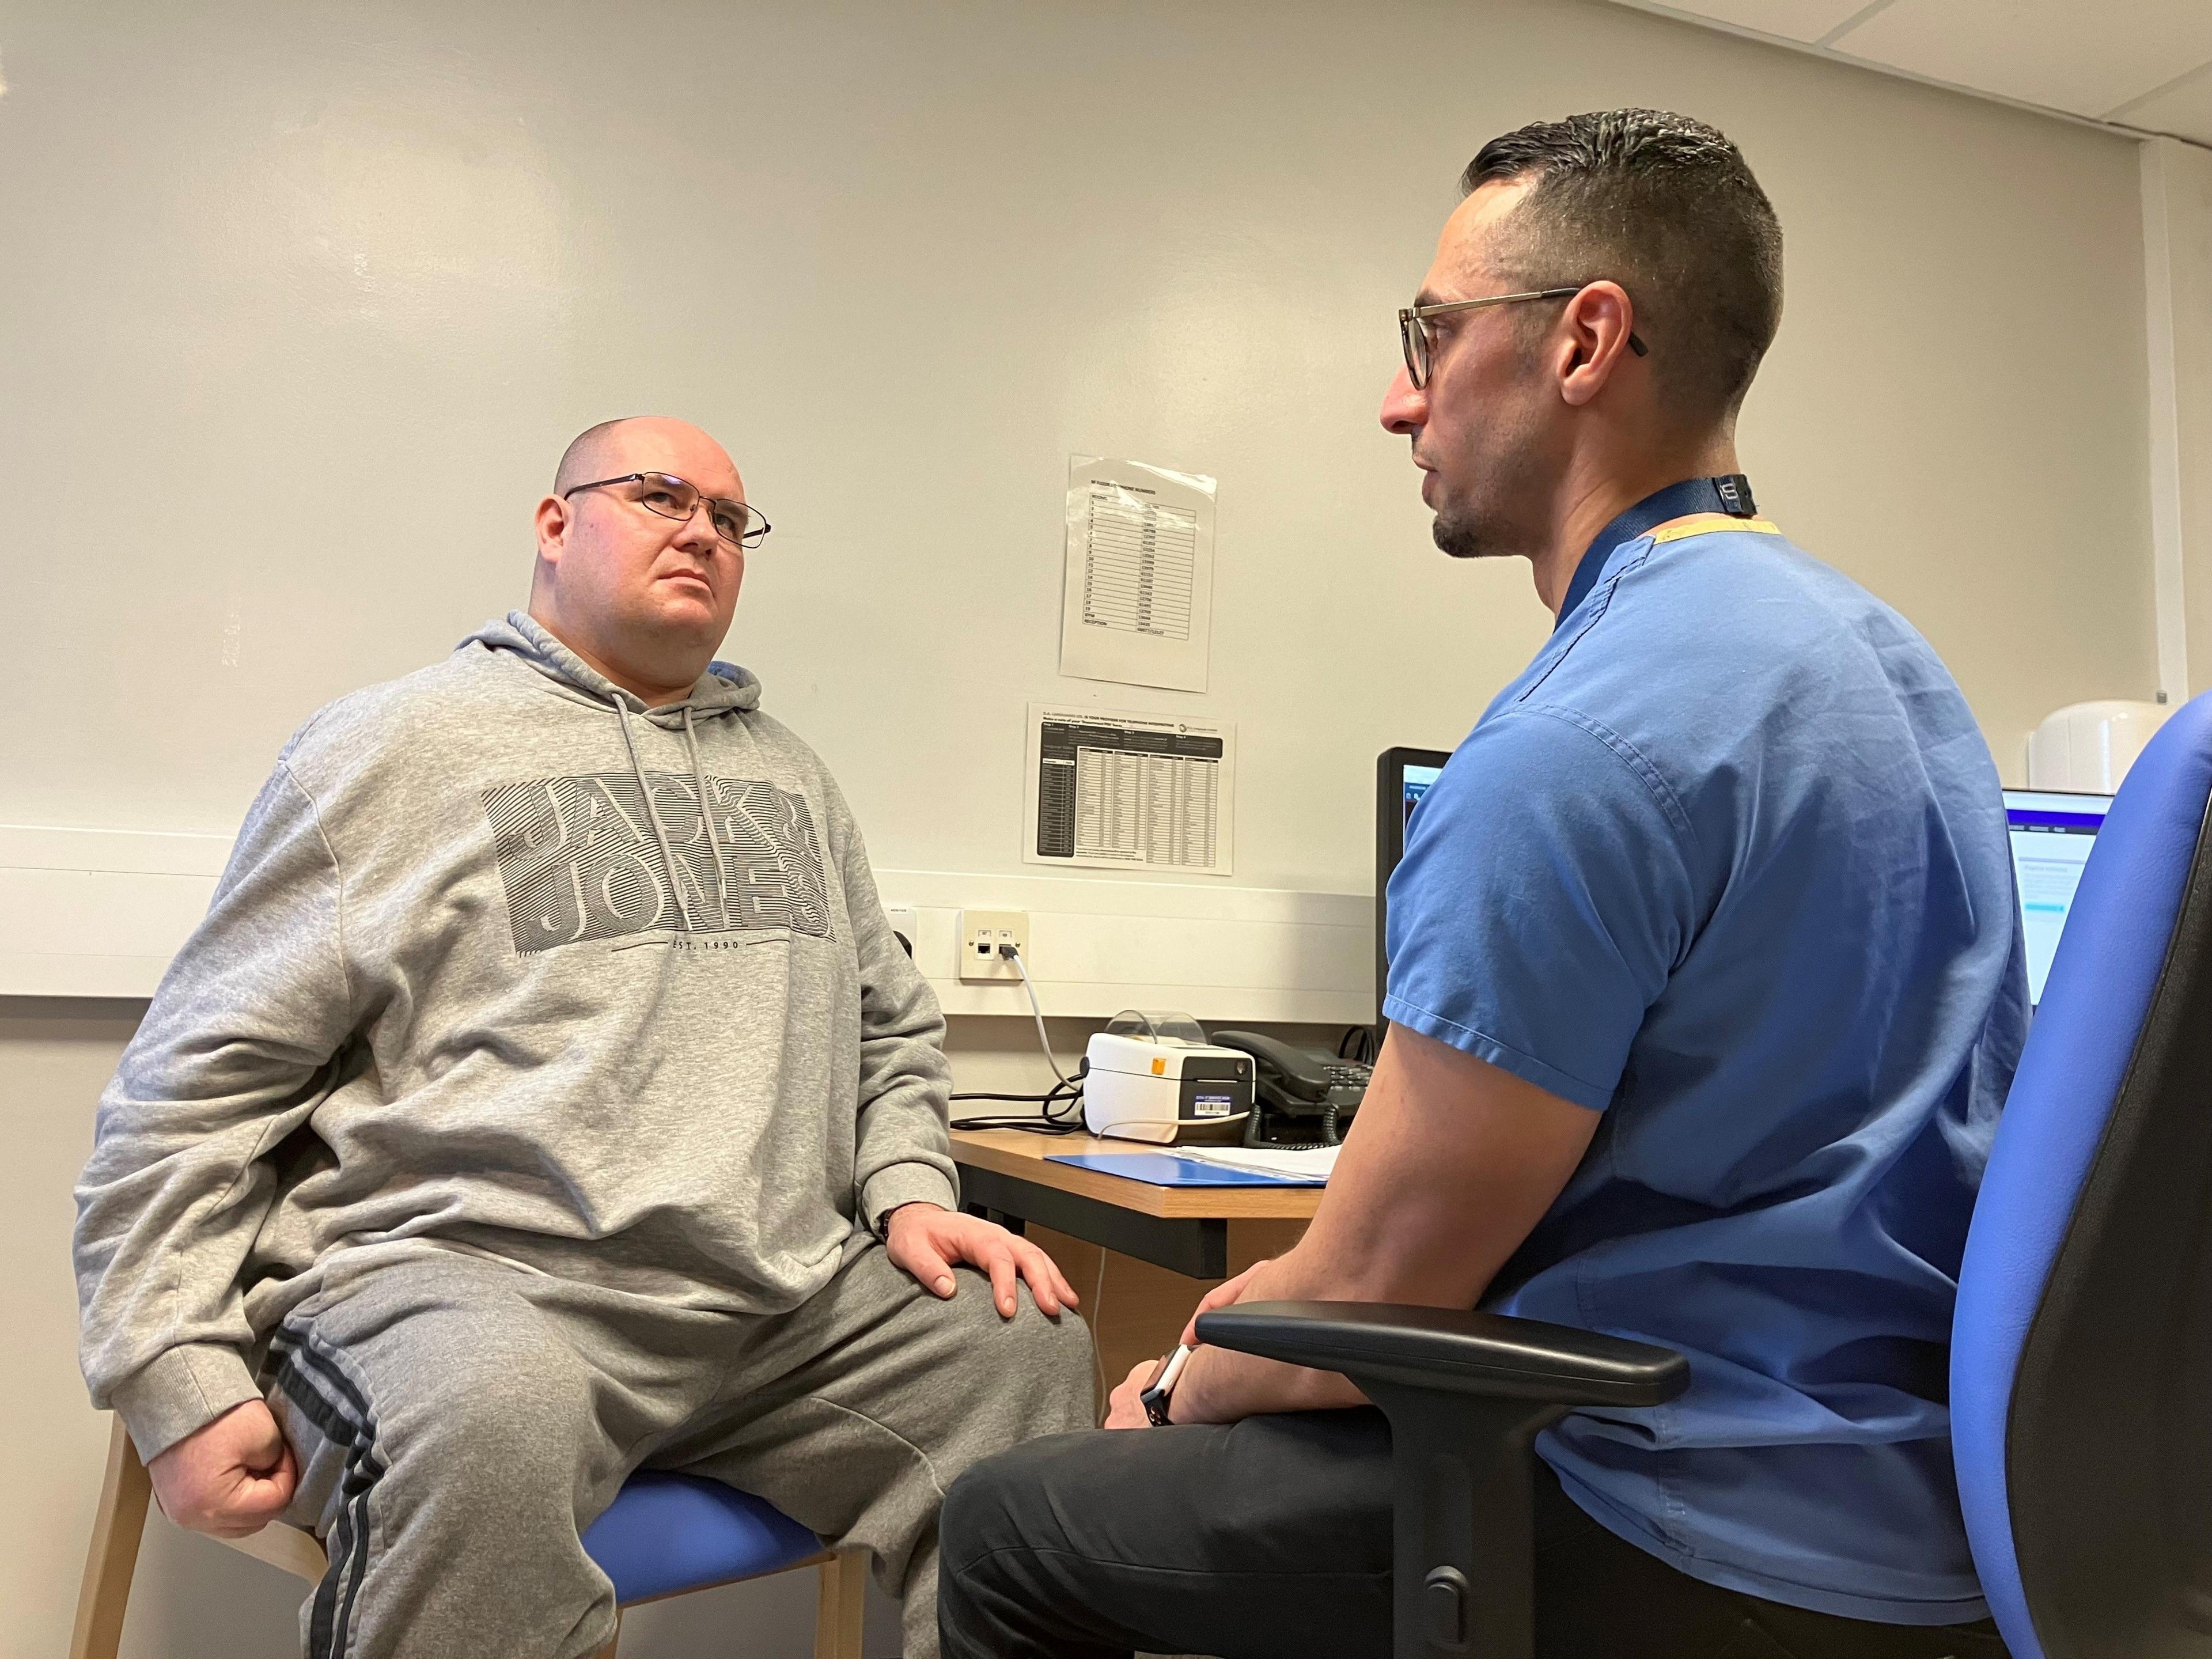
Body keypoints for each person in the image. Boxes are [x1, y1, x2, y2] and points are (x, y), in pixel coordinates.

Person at [938, 110, 2024, 1659]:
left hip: (1693, 1527)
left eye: (1431, 335)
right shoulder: (1884, 670)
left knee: (1013, 1527)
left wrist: (1179, 1381)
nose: (1399, 400)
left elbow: (1375, 1289)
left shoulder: (1577, 743)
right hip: (1941, 1519)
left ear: (1585, 343)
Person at [74, 415, 1096, 1659]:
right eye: (663, 495)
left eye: (730, 518)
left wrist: (910, 1188)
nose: (704, 534)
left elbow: (891, 1031)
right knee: (492, 1412)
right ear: (554, 525)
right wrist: (175, 1372)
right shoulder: (390, 748)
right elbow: (191, 1092)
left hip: (772, 1311)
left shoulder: (794, 780)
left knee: (1021, 1348)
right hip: (468, 1288)